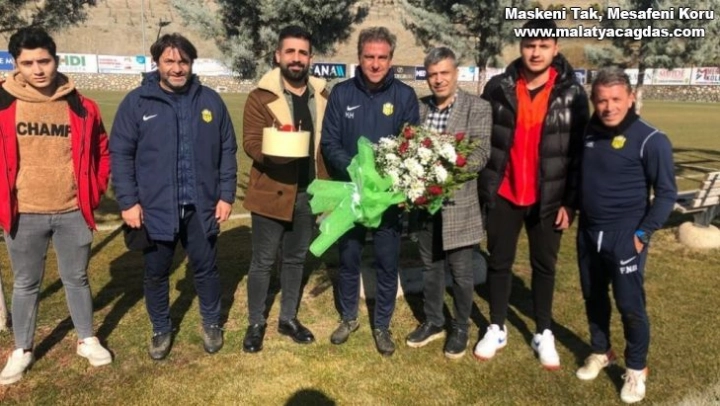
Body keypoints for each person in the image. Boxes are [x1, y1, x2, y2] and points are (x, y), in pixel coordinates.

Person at [110, 33, 238, 360]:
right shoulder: (137, 102)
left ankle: (212, 322)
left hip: (201, 206)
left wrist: (225, 195)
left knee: (206, 268)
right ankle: (161, 327)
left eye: (183, 61)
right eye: (169, 61)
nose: (177, 68)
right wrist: (128, 202)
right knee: (156, 272)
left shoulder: (210, 101)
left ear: (192, 63)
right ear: (157, 63)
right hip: (155, 208)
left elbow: (227, 149)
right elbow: (121, 155)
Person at [474, 18, 589, 369]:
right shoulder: (498, 87)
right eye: (529, 45)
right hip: (504, 193)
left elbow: (578, 155)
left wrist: (570, 202)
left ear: (555, 49)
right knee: (499, 263)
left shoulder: (572, 93)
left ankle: (543, 332)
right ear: (520, 47)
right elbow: (482, 139)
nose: (535, 52)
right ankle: (497, 327)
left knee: (544, 266)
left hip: (548, 199)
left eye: (543, 46)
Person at [0, 27, 112, 385]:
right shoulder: (3, 102)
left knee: (77, 278)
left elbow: (102, 150)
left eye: (44, 61)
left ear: (56, 59)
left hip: (72, 212)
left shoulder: (81, 105)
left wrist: (94, 191)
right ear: (16, 64)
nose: (37, 70)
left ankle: (86, 339)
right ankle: (22, 349)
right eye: (28, 63)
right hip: (23, 213)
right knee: (25, 283)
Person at [575, 68, 676, 404]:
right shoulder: (589, 131)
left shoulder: (652, 139)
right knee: (593, 297)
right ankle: (601, 350)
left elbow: (666, 194)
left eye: (616, 99)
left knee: (630, 305)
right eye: (602, 100)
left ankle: (636, 368)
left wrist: (642, 234)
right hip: (589, 233)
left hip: (626, 237)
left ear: (631, 98)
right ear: (594, 100)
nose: (609, 107)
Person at [321, 26, 420, 356]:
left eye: (382, 57)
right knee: (348, 258)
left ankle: (382, 325)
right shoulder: (341, 94)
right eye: (369, 57)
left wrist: (385, 180)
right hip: (351, 192)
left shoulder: (404, 96)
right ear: (359, 57)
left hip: (386, 197)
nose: (375, 64)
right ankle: (349, 318)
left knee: (387, 262)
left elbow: (410, 146)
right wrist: (356, 170)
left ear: (391, 59)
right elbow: (329, 142)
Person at [241, 25, 329, 353]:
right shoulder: (260, 97)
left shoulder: (323, 96)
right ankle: (255, 323)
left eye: (302, 53)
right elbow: (250, 141)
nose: (296, 58)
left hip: (309, 192)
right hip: (271, 191)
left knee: (295, 260)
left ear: (310, 58)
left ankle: (287, 318)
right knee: (263, 261)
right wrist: (276, 151)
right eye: (290, 51)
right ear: (278, 55)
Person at [404, 47, 490, 359]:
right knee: (431, 266)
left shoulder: (477, 107)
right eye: (432, 74)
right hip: (426, 205)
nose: (438, 80)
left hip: (459, 204)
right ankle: (434, 321)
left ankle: (461, 327)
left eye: (444, 73)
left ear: (456, 74)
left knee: (462, 271)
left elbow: (481, 153)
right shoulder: (419, 107)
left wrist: (446, 163)